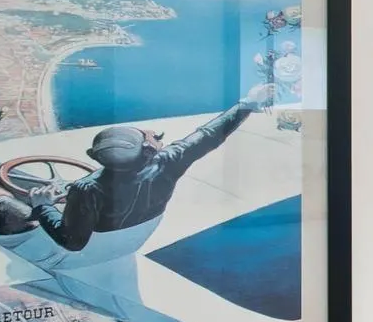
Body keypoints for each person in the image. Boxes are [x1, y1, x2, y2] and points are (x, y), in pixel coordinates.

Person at [28, 84, 278, 252]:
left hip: (104, 244)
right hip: (143, 232)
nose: (158, 141)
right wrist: (248, 102)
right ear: (147, 151)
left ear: (94, 156)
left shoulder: (86, 189)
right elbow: (210, 134)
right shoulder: (169, 162)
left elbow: (73, 242)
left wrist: (43, 206)